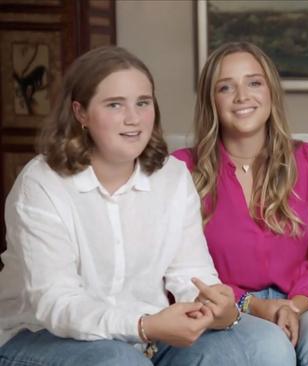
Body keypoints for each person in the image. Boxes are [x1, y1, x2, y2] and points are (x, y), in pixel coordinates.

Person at [0, 46, 292, 366]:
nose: (134, 119)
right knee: (121, 362)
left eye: (143, 102)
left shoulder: (172, 176)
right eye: (115, 105)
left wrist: (215, 307)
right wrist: (143, 326)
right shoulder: (43, 182)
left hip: (149, 334)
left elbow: (191, 274)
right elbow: (55, 303)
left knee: (265, 342)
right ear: (80, 113)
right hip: (40, 336)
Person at [172, 41, 308, 366]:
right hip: (226, 309)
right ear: (211, 100)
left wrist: (292, 308)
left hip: (302, 302)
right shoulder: (182, 170)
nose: (243, 96)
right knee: (269, 348)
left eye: (254, 82)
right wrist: (255, 306)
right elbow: (184, 271)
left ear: (271, 91)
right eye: (226, 87)